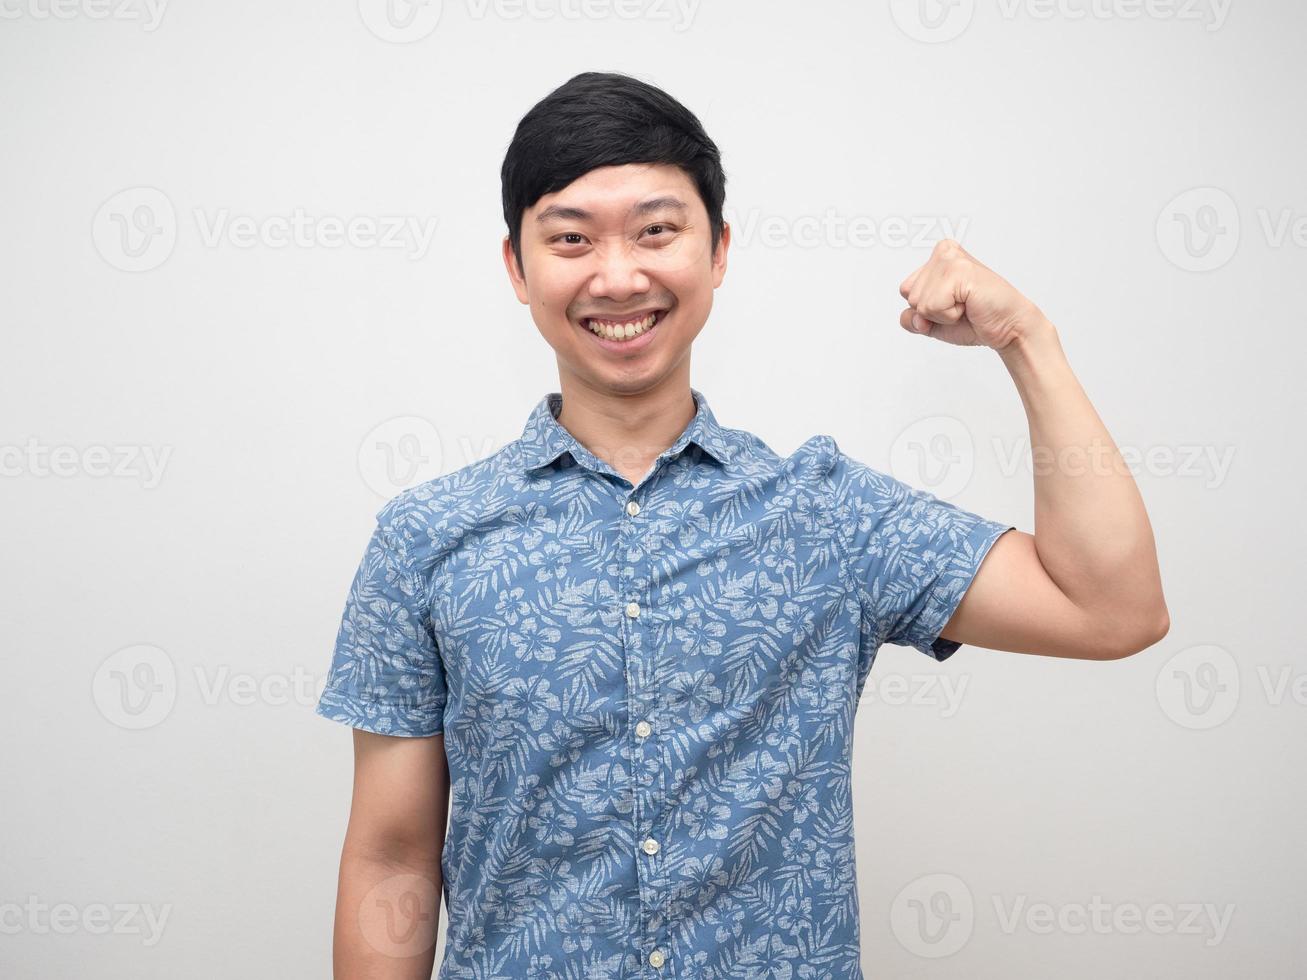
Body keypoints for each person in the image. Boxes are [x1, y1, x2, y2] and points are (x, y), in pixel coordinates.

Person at [315, 70, 1169, 979]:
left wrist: (1026, 339)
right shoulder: (426, 538)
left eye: (656, 231)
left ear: (717, 251)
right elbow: (392, 854)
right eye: (570, 238)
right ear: (517, 269)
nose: (617, 275)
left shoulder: (825, 514)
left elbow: (1111, 610)